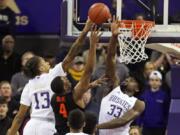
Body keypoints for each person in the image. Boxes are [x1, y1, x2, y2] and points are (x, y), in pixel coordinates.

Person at [7, 19, 93, 135]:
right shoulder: (53, 73)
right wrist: (85, 30)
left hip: (30, 126)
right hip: (47, 126)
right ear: (40, 68)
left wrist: (12, 132)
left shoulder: (28, 85)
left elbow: (19, 117)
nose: (47, 63)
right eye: (44, 62)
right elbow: (72, 53)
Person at [96, 18, 145, 135]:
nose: (128, 79)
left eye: (132, 80)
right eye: (128, 78)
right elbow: (110, 59)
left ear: (137, 88)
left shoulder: (138, 103)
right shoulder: (114, 87)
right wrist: (113, 37)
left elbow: (123, 120)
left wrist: (97, 126)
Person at [51, 27, 104, 134]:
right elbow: (88, 71)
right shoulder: (74, 95)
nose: (66, 78)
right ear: (65, 87)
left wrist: (89, 85)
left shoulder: (54, 98)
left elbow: (72, 93)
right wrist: (92, 45)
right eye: (64, 79)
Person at [138, 71, 170, 135]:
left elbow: (167, 112)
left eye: (156, 80)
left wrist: (167, 127)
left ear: (160, 82)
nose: (154, 82)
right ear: (149, 82)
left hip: (160, 128)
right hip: (146, 128)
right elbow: (140, 112)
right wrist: (139, 125)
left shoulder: (164, 96)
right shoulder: (144, 95)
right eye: (152, 80)